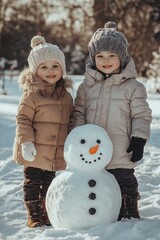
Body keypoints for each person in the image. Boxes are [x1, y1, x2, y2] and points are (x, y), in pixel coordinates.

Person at [73, 22, 152, 220]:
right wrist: (76, 139)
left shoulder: (133, 87)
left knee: (124, 180)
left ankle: (129, 210)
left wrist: (138, 139)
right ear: (93, 58)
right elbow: (79, 113)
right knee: (96, 183)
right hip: (92, 151)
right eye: (100, 56)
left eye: (111, 56)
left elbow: (141, 115)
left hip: (120, 148)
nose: (105, 60)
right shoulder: (86, 87)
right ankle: (103, 213)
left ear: (122, 58)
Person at [13, 35, 73, 228]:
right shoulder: (31, 94)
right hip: (34, 149)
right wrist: (26, 142)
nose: (50, 71)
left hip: (54, 151)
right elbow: (23, 119)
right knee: (32, 183)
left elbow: (70, 121)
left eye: (55, 66)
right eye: (44, 67)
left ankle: (45, 210)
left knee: (49, 183)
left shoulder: (66, 96)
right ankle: (33, 214)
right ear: (35, 70)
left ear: (62, 69)